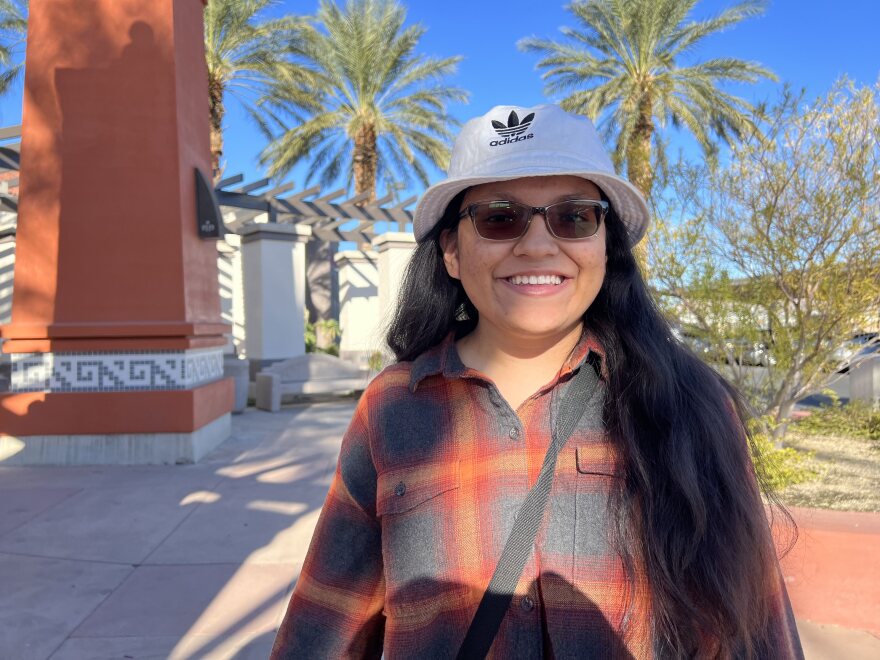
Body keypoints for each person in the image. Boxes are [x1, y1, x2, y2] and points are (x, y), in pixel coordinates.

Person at [270, 104, 804, 659]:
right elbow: (325, 620)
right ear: (452, 251)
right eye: (501, 218)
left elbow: (755, 622)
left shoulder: (689, 404)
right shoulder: (391, 409)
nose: (537, 245)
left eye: (573, 217)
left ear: (604, 245)